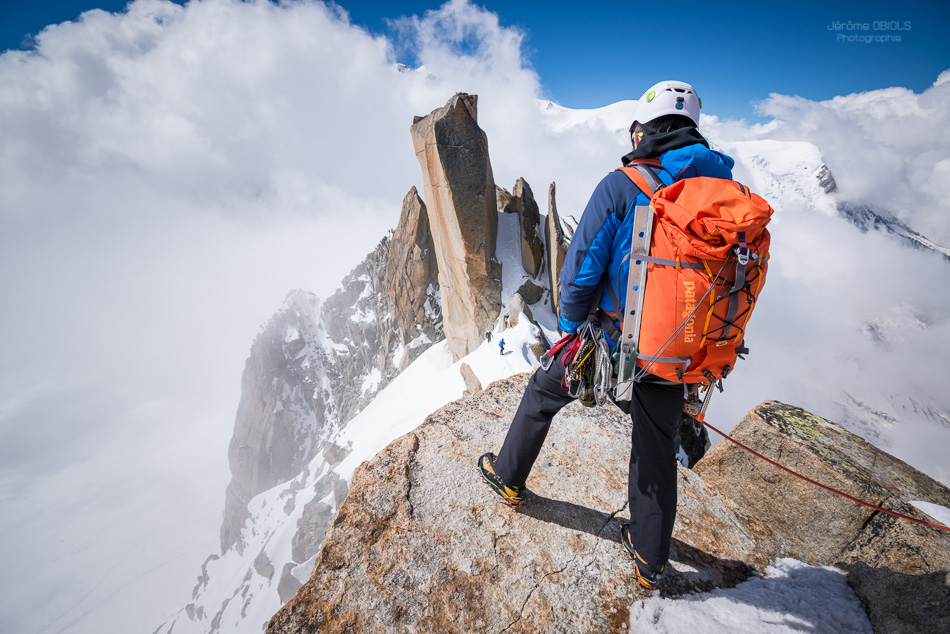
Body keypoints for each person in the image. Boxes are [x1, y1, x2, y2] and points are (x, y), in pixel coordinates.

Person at [479, 81, 735, 591]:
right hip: (679, 348)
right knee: (656, 445)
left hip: (614, 339)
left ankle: (507, 477)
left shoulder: (623, 185)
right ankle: (649, 558)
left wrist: (570, 333)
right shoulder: (723, 193)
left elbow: (579, 271)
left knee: (541, 394)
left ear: (646, 131)